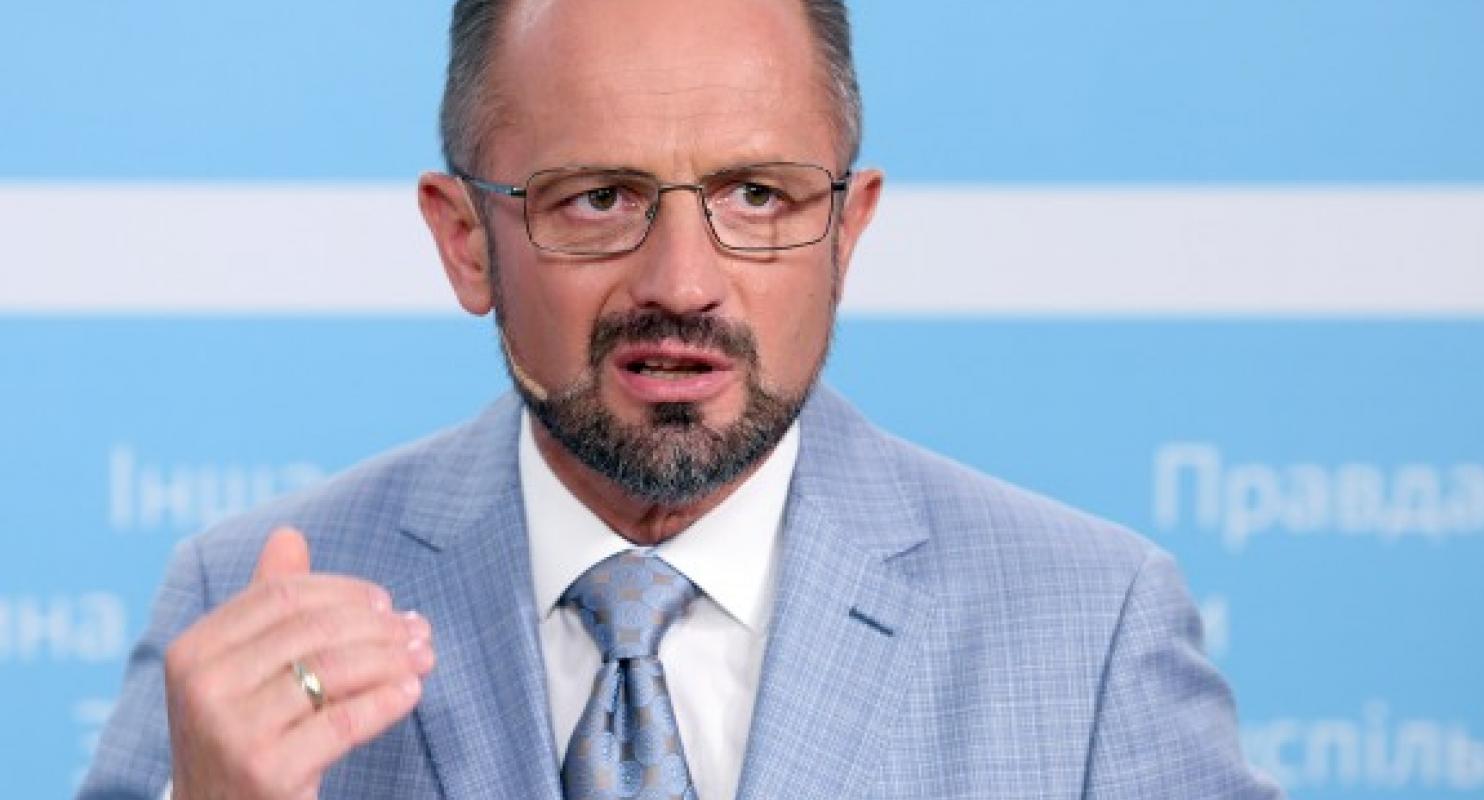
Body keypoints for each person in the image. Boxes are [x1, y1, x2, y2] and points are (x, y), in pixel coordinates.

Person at [80, 0, 1282, 798]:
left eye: (757, 195)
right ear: (465, 241)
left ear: (846, 232)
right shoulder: (239, 601)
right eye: (596, 198)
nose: (681, 281)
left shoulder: (1088, 628)